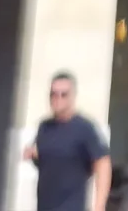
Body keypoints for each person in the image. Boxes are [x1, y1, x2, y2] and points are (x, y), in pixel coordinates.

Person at [23, 73, 110, 211]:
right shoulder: (44, 127)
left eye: (64, 94)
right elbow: (47, 162)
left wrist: (99, 206)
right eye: (53, 94)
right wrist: (33, 155)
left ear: (73, 96)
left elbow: (103, 163)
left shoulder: (84, 128)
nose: (58, 98)